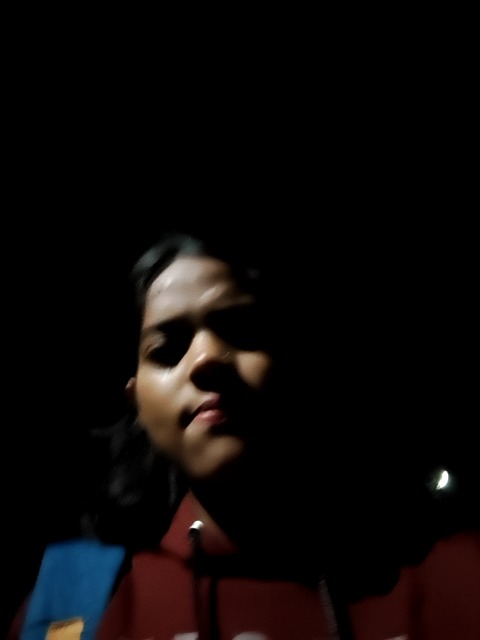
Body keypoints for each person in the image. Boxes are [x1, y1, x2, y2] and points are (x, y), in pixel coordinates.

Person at [9, 227, 480, 640]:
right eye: (167, 350)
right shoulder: (68, 603)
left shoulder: (451, 575)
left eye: (243, 329)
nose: (205, 360)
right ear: (137, 402)